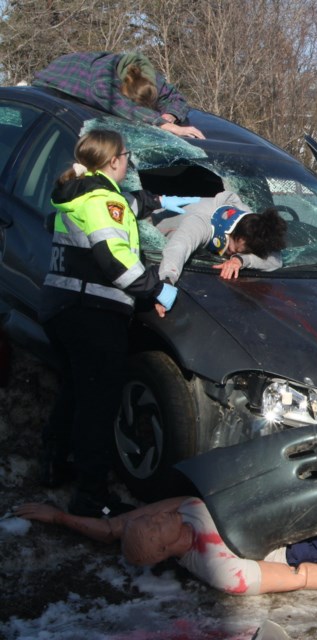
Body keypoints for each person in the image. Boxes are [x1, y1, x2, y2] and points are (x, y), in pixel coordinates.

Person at [13, 498, 317, 609]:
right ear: (168, 548)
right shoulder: (224, 571)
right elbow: (299, 575)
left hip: (293, 511)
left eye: (154, 516)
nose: (160, 514)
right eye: (160, 523)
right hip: (309, 546)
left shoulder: (148, 527)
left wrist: (58, 518)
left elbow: (106, 529)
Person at [39, 130, 179, 517]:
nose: (129, 162)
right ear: (114, 160)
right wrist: (157, 290)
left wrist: (158, 201)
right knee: (99, 403)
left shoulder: (85, 191)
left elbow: (122, 206)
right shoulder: (101, 200)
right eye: (127, 156)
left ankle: (52, 463)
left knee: (76, 390)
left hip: (63, 307)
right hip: (93, 312)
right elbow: (117, 261)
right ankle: (91, 495)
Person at [34, 51, 204, 139]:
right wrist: (165, 126)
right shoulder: (103, 77)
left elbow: (176, 98)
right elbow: (119, 105)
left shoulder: (151, 78)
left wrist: (170, 115)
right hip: (61, 76)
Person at [156, 191, 287, 286]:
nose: (229, 255)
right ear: (231, 234)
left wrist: (240, 260)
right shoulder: (203, 223)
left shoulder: (251, 222)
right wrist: (167, 281)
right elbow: (179, 247)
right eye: (232, 250)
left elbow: (275, 259)